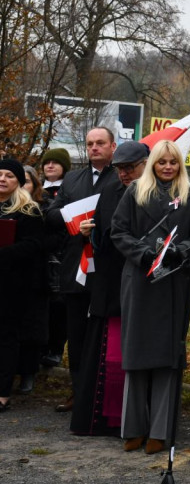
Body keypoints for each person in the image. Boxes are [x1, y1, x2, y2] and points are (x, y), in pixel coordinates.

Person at [111, 140, 190, 455]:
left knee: (167, 358)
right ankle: (133, 428)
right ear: (153, 163)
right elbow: (118, 232)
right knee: (136, 354)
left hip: (173, 283)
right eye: (162, 162)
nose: (168, 167)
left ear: (180, 165)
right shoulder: (135, 191)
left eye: (174, 162)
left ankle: (160, 431)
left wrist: (182, 251)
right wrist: (145, 253)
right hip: (140, 280)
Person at [69, 140, 148, 436]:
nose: (124, 174)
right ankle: (103, 419)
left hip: (141, 282)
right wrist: (88, 235)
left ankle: (134, 420)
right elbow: (100, 240)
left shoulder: (158, 194)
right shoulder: (108, 192)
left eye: (130, 168)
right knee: (107, 355)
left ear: (145, 164)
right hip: (109, 284)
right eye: (120, 169)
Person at [47, 127, 119, 413]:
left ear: (113, 146)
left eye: (100, 143)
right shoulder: (73, 179)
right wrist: (75, 222)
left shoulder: (121, 177)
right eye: (90, 144)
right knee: (76, 335)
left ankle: (102, 395)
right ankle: (78, 392)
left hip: (108, 269)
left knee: (103, 335)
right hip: (75, 268)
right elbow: (52, 213)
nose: (94, 148)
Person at [0, 160, 46, 412]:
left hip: (11, 287)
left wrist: (4, 254)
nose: (3, 179)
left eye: (9, 175)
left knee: (6, 339)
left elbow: (34, 246)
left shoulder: (28, 211)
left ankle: (3, 393)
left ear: (18, 181)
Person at [12, 166, 49, 396]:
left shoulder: (42, 210)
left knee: (31, 329)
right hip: (10, 274)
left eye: (27, 182)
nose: (23, 186)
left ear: (35, 186)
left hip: (34, 277)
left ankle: (28, 372)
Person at [38, 147, 70, 370]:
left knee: (59, 304)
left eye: (55, 163)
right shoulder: (36, 188)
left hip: (61, 255)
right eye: (47, 162)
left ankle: (55, 348)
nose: (50, 166)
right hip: (38, 255)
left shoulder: (68, 189)